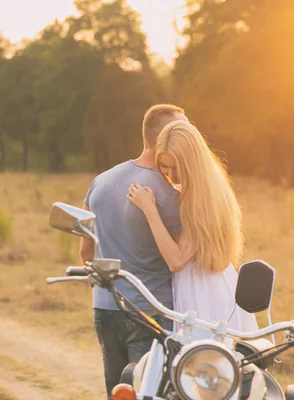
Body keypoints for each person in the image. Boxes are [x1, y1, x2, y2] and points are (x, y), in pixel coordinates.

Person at [79, 104, 188, 398]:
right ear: (166, 138)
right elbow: (180, 258)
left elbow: (86, 252)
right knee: (148, 391)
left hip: (104, 306)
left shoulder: (100, 181)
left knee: (117, 390)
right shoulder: (168, 195)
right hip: (149, 309)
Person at [127, 120, 259, 333]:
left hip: (201, 293)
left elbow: (177, 261)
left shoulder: (198, 199)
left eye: (176, 166)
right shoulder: (212, 184)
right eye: (164, 166)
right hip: (214, 283)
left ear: (191, 162)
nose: (170, 174)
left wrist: (149, 210)